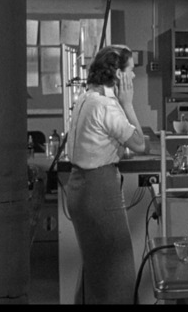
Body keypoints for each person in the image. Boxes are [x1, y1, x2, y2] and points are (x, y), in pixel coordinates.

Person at [65, 44, 145, 304]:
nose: (133, 75)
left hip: (79, 186)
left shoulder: (86, 99)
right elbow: (139, 144)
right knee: (118, 272)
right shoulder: (107, 106)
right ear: (118, 74)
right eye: (130, 70)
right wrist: (128, 105)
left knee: (95, 272)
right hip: (99, 190)